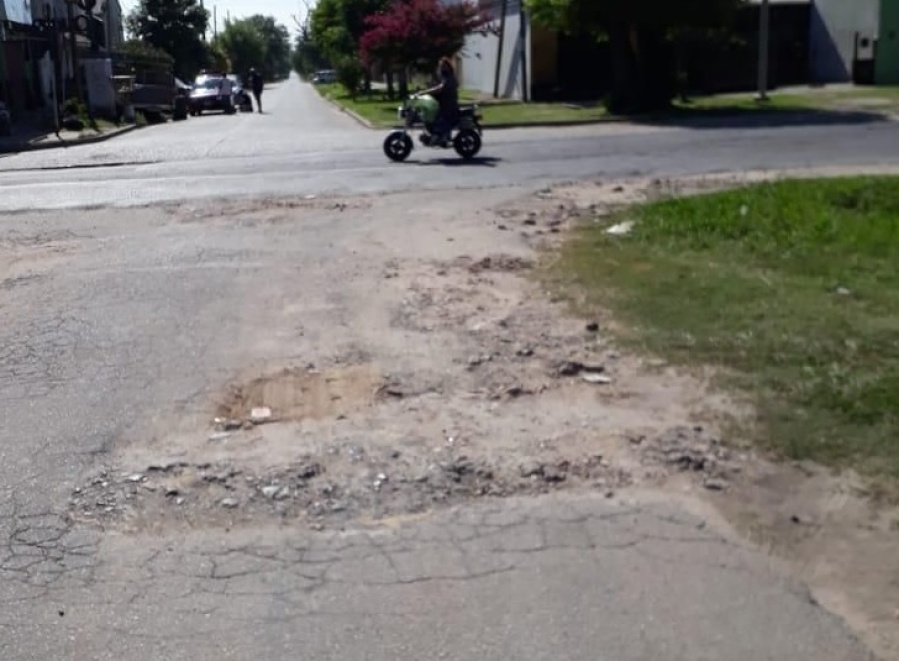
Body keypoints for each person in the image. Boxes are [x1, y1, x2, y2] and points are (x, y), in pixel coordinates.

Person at [421, 57, 459, 146]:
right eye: (441, 66)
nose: (442, 68)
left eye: (444, 66)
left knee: (439, 118)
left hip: (449, 106)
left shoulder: (450, 77)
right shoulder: (443, 77)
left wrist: (424, 92)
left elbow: (440, 88)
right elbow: (437, 87)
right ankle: (435, 135)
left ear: (449, 67)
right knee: (430, 115)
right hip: (443, 104)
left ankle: (441, 137)